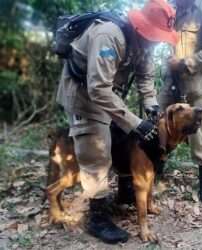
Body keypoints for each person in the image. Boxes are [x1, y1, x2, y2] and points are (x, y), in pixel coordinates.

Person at [56, 0, 178, 244]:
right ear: (141, 28)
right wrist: (135, 121)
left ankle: (125, 192)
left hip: (108, 95)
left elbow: (145, 76)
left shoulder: (144, 44)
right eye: (154, 36)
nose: (156, 41)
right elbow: (98, 89)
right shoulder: (108, 37)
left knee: (124, 138)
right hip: (83, 94)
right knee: (96, 152)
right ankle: (97, 217)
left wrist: (151, 105)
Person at [158, 0, 202, 206]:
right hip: (171, 82)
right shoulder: (173, 10)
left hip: (195, 84)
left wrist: (186, 63)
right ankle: (156, 169)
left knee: (198, 132)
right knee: (158, 122)